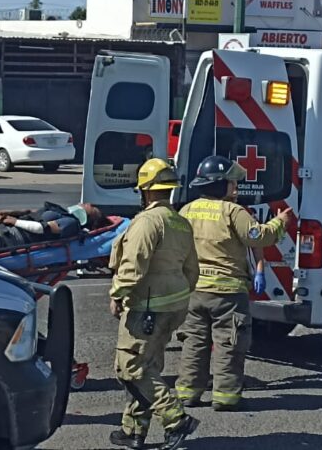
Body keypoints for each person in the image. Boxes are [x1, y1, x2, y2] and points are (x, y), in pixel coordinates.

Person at [174, 156, 294, 412]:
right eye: (231, 183)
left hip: (194, 291)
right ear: (220, 185)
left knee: (194, 342)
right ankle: (226, 397)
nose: (235, 188)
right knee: (229, 344)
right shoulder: (233, 212)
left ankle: (187, 393)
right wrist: (280, 223)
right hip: (227, 293)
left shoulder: (187, 210)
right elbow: (258, 237)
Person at [107, 158, 200, 450]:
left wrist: (118, 293)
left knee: (130, 368)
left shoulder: (148, 221)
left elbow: (133, 265)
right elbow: (192, 270)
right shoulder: (179, 222)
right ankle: (133, 429)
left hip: (147, 306)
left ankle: (176, 420)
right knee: (147, 365)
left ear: (146, 191)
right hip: (173, 305)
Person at [0, 202, 105, 254]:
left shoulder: (71, 223)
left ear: (88, 217)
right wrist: (9, 212)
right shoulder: (62, 212)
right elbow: (33, 213)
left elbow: (42, 228)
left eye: (91, 207)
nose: (87, 203)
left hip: (14, 237)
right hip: (8, 230)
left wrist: (14, 221)